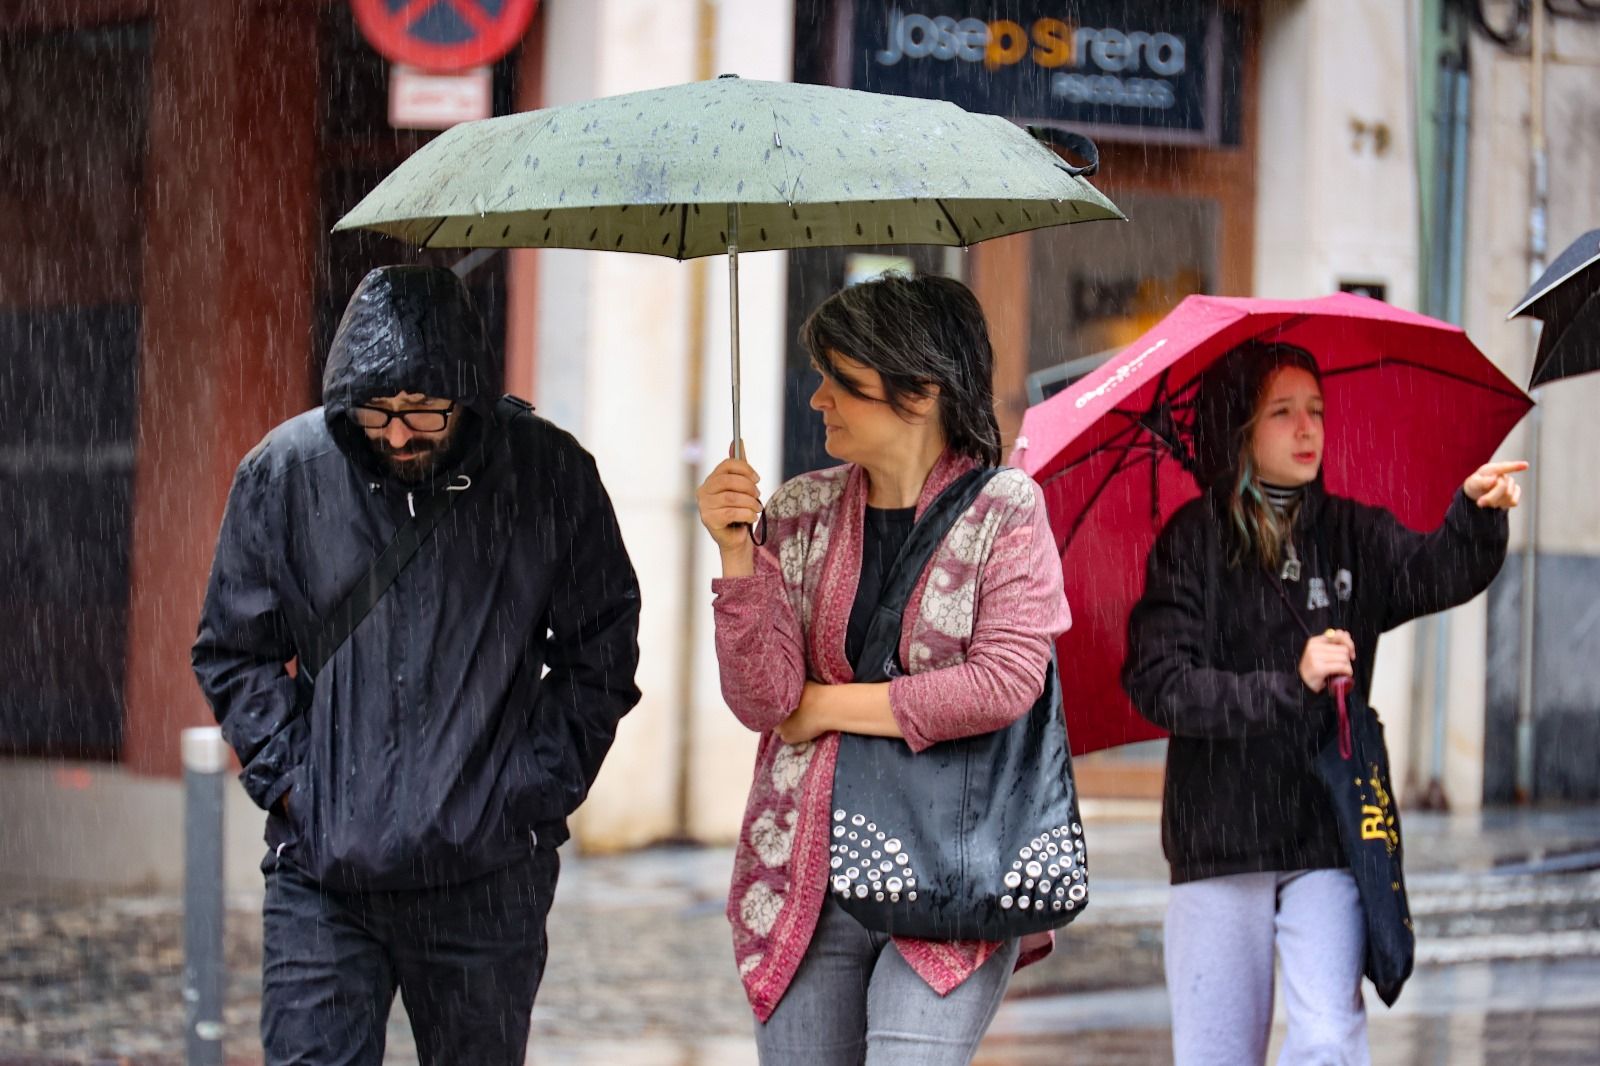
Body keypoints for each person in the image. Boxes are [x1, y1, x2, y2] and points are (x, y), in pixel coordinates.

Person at [192, 265, 642, 1066]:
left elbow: (601, 648)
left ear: (465, 392)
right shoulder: (285, 475)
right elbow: (234, 650)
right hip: (324, 878)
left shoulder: (547, 474)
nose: (398, 434)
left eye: (424, 412)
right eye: (377, 413)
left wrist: (529, 792)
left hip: (487, 875)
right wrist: (298, 782)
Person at [696, 273, 1071, 1065]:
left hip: (951, 870)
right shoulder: (799, 510)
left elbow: (1001, 684)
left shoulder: (1006, 509)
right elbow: (765, 701)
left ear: (922, 388)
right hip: (803, 881)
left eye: (842, 380)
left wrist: (828, 706)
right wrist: (737, 552)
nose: (818, 399)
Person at [1121, 341, 1525, 1066]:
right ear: (1240, 430)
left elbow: (1436, 571)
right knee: (1217, 1054)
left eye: (1316, 411)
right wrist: (1289, 682)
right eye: (1282, 413)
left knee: (1330, 1041)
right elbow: (1160, 681)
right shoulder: (1193, 541)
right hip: (1219, 839)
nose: (1308, 429)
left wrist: (1475, 515)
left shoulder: (1350, 533)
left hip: (1326, 832)